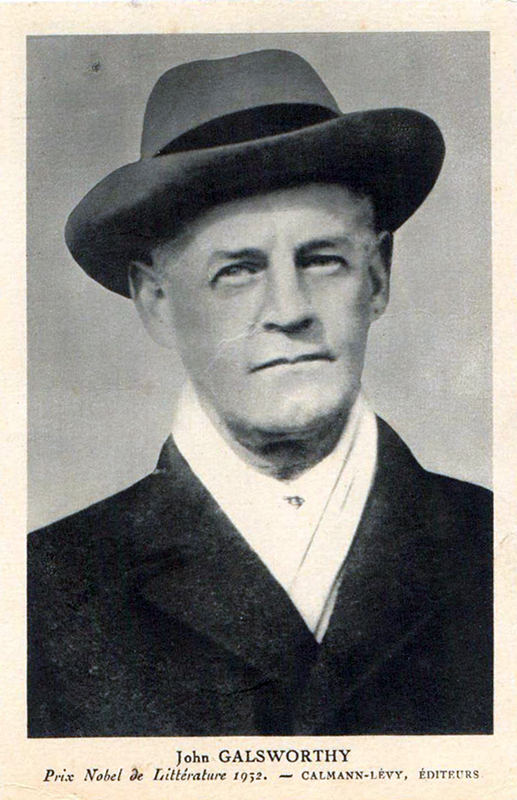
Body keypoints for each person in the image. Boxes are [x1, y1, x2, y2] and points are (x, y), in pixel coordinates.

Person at [28, 49, 492, 737]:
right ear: (157, 303)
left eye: (322, 260)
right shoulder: (40, 592)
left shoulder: (495, 545)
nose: (289, 310)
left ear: (378, 277)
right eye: (238, 271)